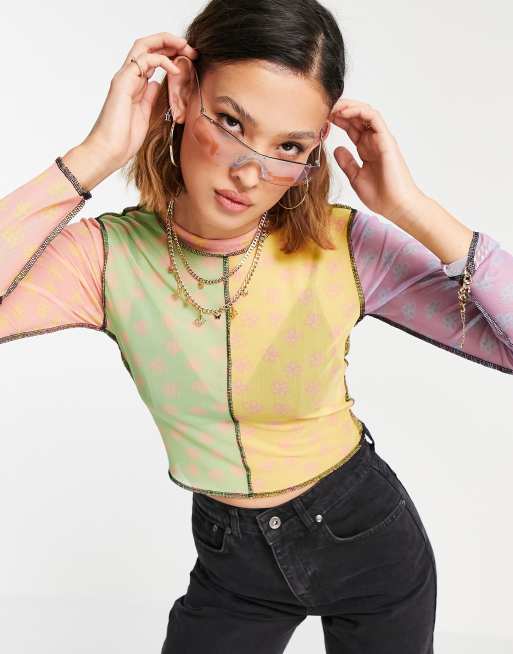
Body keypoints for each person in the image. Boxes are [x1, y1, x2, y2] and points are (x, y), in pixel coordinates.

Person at [1, 1, 512, 652]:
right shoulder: (104, 259)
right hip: (232, 565)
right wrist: (94, 156)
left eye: (288, 147)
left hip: (367, 540)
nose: (250, 172)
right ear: (182, 94)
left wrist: (411, 208)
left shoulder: (343, 245)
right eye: (231, 121)